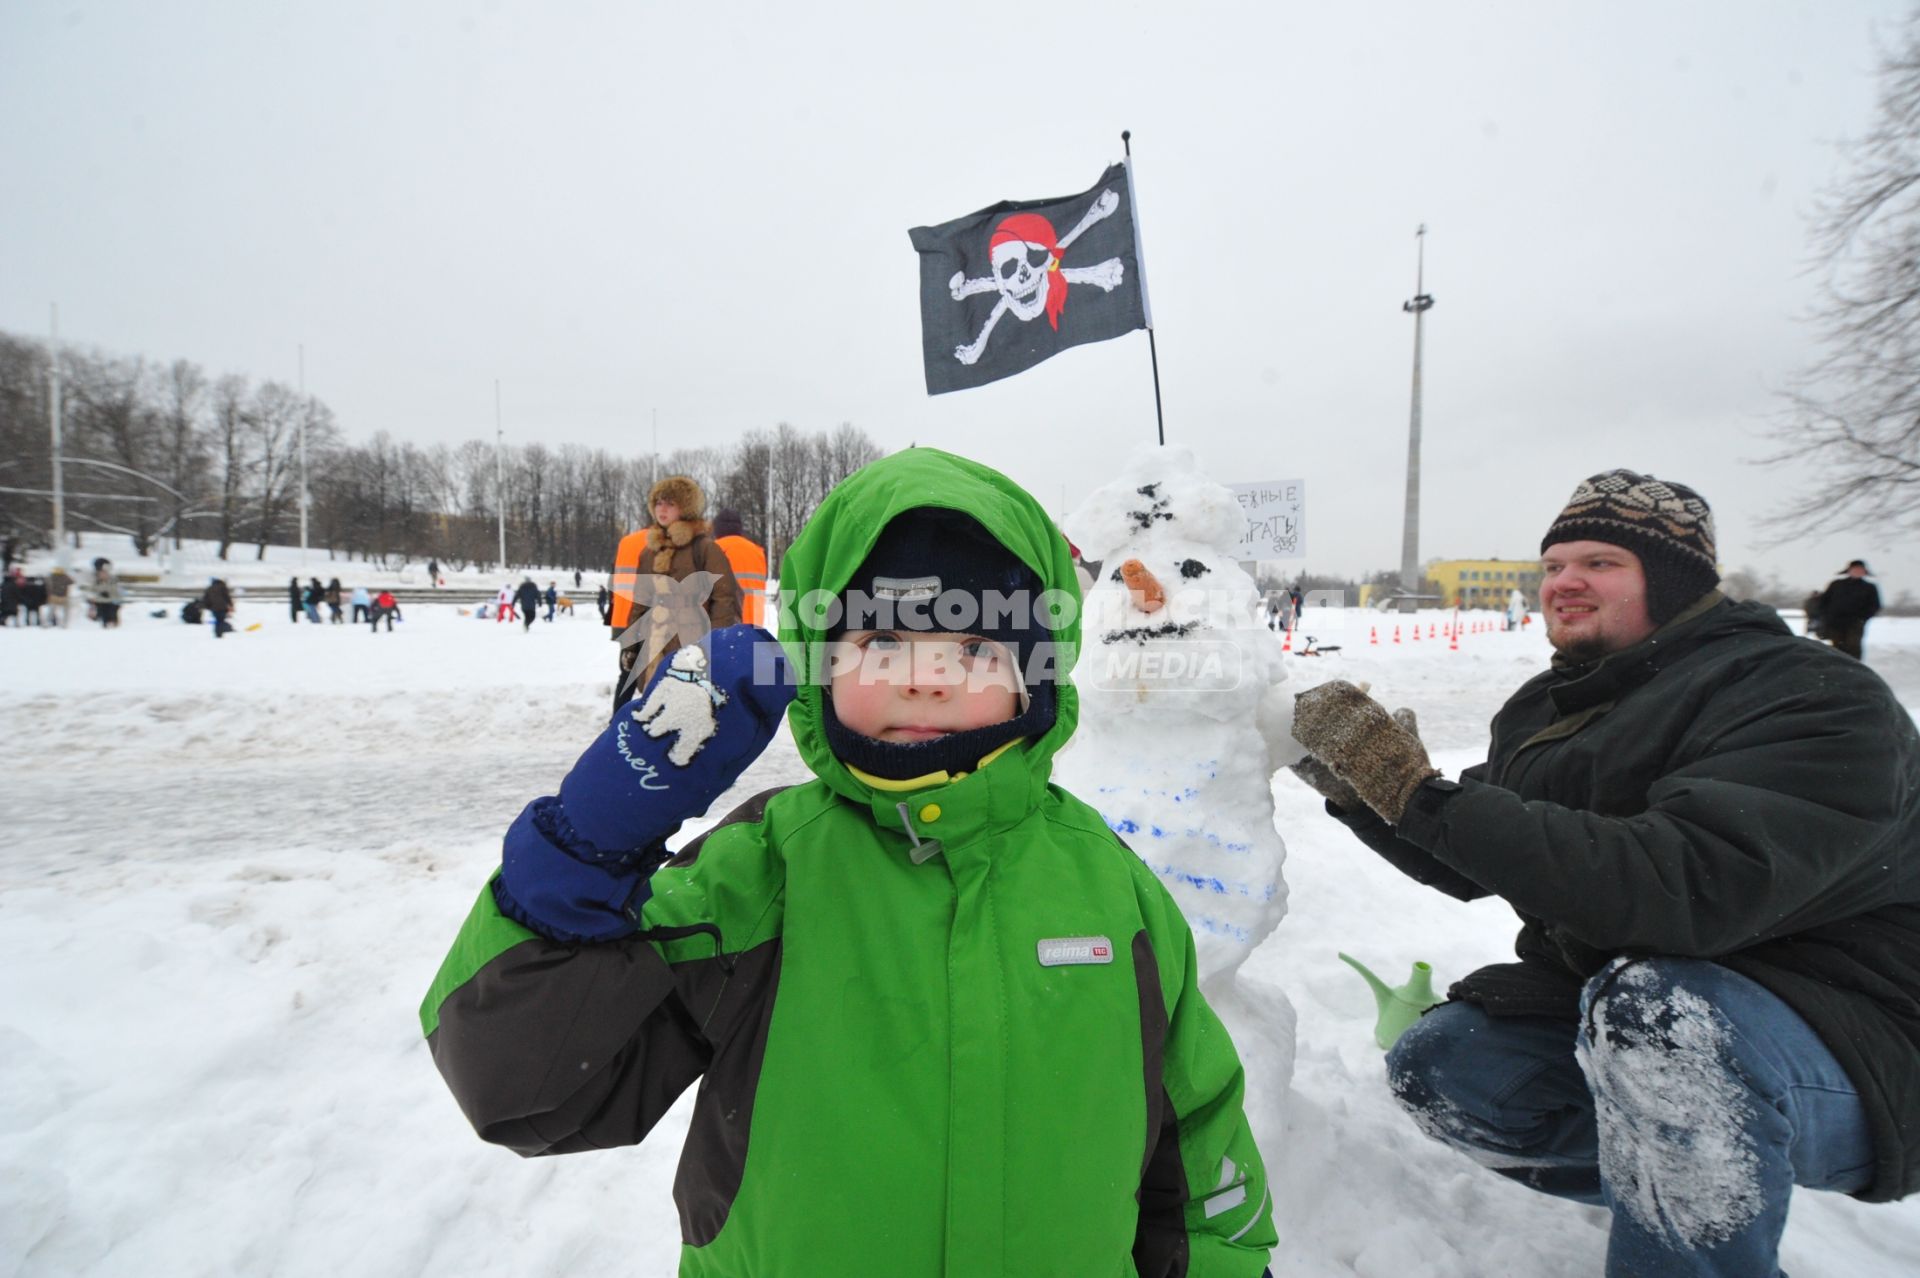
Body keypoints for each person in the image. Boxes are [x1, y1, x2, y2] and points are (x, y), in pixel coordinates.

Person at [420, 448, 1277, 1276]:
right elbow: (527, 1091)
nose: (928, 677)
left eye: (976, 648)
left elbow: (1197, 1135)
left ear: (1038, 678)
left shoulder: (1110, 887)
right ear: (820, 664)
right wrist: (586, 849)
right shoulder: (762, 870)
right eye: (881, 641)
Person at [1289, 469, 1920, 1278]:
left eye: (1600, 561)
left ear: (1675, 579)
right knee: (1446, 1065)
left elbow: (1682, 888)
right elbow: (1481, 852)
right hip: (1670, 1011)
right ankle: (1700, 1203)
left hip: (1851, 1037)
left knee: (1665, 1020)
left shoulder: (1813, 694)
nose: (1565, 582)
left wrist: (1419, 797)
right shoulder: (1558, 706)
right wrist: (1367, 793)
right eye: (1553, 565)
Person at [606, 475, 742, 712]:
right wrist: (631, 645)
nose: (662, 509)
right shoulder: (648, 553)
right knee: (655, 703)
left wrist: (717, 644)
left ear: (686, 507)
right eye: (658, 503)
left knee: (689, 706)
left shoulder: (705, 548)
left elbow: (724, 597)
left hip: (692, 638)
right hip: (654, 640)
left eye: (670, 503)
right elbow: (641, 604)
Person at [709, 506, 769, 626]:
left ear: (717, 529)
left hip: (725, 626)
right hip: (754, 625)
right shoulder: (758, 552)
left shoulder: (712, 550)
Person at [1818, 558, 1881, 660]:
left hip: (1855, 622)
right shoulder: (1836, 584)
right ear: (1849, 570)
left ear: (1864, 572)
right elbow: (1824, 601)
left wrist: (1863, 617)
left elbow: (1875, 605)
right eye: (1855, 569)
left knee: (1853, 645)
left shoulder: (1869, 587)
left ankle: (1854, 666)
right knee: (1837, 645)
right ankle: (1837, 665)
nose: (1857, 571)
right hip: (1835, 621)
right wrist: (1826, 615)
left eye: (1860, 570)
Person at [89, 558, 123, 628]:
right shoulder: (95, 580)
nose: (103, 574)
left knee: (112, 608)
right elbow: (91, 591)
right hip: (100, 601)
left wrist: (109, 594)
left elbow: (116, 592)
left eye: (105, 572)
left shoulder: (113, 580)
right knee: (102, 609)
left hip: (111, 601)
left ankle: (112, 622)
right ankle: (105, 622)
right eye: (101, 572)